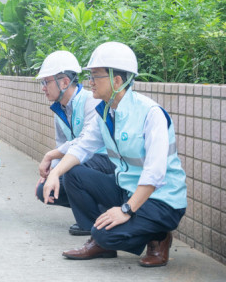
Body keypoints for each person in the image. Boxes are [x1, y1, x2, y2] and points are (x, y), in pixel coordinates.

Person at [42, 42, 187, 267]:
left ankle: (158, 237)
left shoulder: (150, 114)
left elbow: (155, 174)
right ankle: (100, 240)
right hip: (127, 190)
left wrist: (126, 210)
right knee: (74, 174)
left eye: (95, 76)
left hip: (161, 200)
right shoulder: (106, 111)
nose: (90, 83)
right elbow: (82, 147)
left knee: (106, 234)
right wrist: (55, 172)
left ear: (117, 80)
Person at [34, 51, 116, 236]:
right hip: (81, 161)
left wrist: (52, 156)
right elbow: (61, 143)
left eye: (46, 82)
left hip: (104, 160)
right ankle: (97, 210)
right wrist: (51, 174)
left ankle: (89, 224)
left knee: (71, 170)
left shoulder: (90, 100)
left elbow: (86, 141)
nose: (43, 88)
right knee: (43, 191)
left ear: (64, 82)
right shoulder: (59, 108)